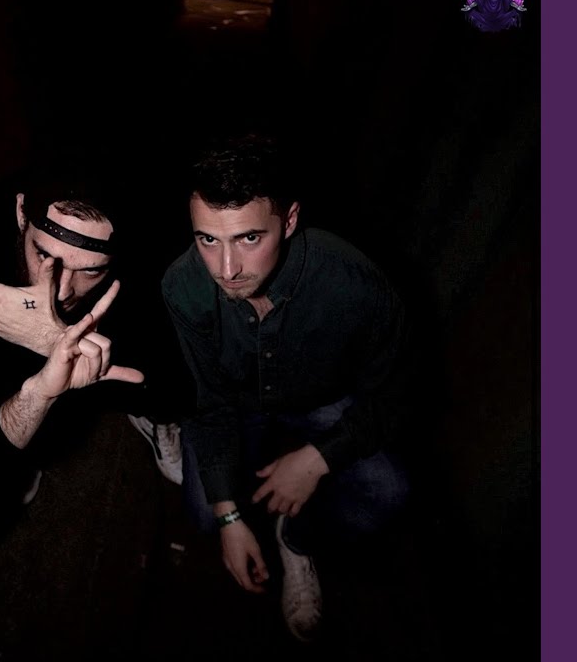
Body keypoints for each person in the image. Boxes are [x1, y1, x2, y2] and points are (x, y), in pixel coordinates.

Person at [161, 135, 410, 641]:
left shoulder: (354, 282)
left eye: (249, 238)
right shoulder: (183, 284)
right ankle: (162, 429)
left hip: (323, 399)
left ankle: (296, 540)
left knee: (388, 493)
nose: (226, 269)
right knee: (205, 516)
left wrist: (317, 459)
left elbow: (398, 391)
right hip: (238, 404)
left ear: (290, 220)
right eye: (208, 239)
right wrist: (229, 517)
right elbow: (208, 403)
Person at [0, 159, 156, 549]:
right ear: (21, 213)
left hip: (79, 397)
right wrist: (36, 395)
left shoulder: (132, 277)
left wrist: (55, 341)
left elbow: (179, 387)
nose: (62, 290)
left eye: (91, 271)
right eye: (44, 257)